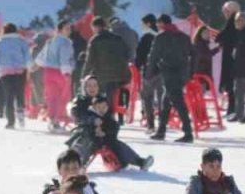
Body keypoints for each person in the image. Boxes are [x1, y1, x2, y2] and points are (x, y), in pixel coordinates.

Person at [74, 94, 153, 172]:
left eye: (104, 107)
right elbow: (83, 127)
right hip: (92, 141)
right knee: (85, 147)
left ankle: (140, 161)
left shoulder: (108, 117)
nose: (102, 109)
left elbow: (114, 128)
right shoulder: (90, 116)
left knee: (121, 147)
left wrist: (105, 133)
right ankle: (77, 165)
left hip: (107, 141)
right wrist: (93, 131)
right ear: (94, 107)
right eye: (99, 107)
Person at [146, 14, 194, 143]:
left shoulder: (161, 37)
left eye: (158, 23)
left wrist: (149, 74)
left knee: (178, 102)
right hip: (182, 74)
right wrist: (190, 72)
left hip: (169, 73)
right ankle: (161, 131)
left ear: (162, 23)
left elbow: (153, 56)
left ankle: (188, 132)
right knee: (166, 102)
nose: (157, 26)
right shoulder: (184, 37)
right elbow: (193, 53)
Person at [83, 16, 133, 123]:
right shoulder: (118, 39)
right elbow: (127, 55)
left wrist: (84, 76)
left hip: (102, 76)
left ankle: (103, 117)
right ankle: (113, 116)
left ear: (95, 27)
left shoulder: (95, 40)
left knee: (98, 94)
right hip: (120, 75)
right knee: (113, 94)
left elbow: (89, 61)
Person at [0, 23, 31, 129]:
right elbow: (27, 55)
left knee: (9, 96)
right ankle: (20, 114)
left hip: (5, 71)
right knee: (20, 94)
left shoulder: (0, 42)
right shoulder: (21, 40)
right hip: (20, 70)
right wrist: (31, 65)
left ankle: (10, 122)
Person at [39, 21, 75, 131]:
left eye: (70, 28)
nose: (69, 31)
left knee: (51, 98)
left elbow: (42, 56)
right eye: (67, 28)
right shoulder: (65, 42)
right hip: (60, 72)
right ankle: (57, 120)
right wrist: (67, 72)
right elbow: (64, 58)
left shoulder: (50, 41)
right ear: (60, 30)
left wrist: (35, 65)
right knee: (62, 98)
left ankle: (52, 120)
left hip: (48, 72)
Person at [216, 1, 241, 120]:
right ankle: (232, 109)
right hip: (232, 58)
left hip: (231, 59)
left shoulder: (232, 24)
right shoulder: (235, 24)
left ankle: (233, 110)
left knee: (232, 85)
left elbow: (221, 36)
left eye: (226, 11)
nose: (225, 14)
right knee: (232, 86)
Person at [135, 14, 159, 132]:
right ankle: (163, 124)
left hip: (149, 72)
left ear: (148, 24)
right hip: (163, 71)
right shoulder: (161, 35)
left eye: (143, 24)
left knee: (147, 98)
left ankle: (151, 124)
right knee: (162, 98)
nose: (141, 26)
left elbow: (139, 56)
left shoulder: (146, 38)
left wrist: (137, 66)